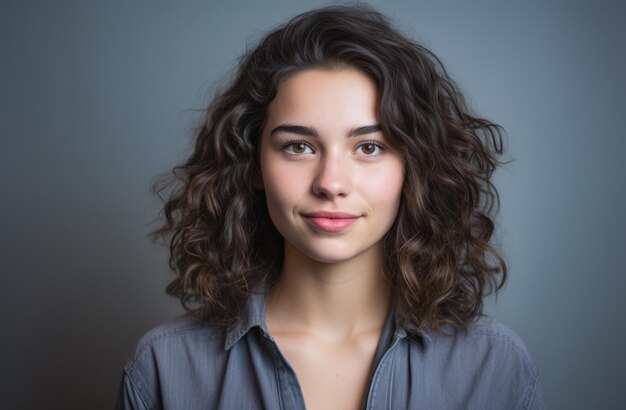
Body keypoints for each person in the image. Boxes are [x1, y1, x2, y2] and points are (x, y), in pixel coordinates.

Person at [117, 4, 544, 409]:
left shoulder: (492, 367)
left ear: (413, 166)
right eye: (299, 146)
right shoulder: (163, 370)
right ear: (252, 165)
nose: (331, 183)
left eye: (370, 147)